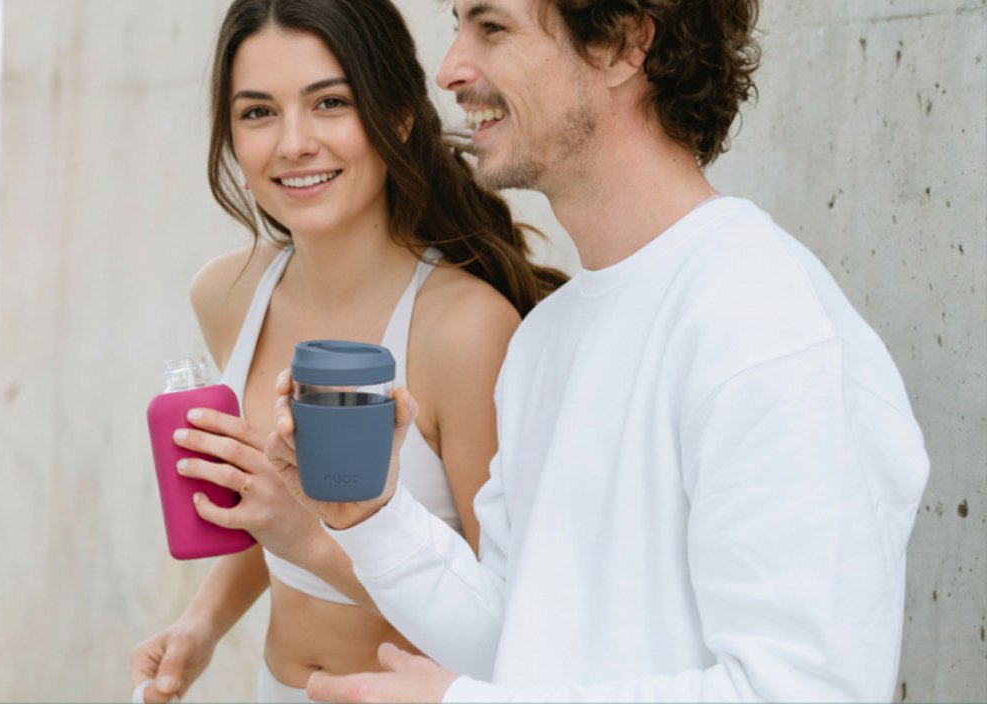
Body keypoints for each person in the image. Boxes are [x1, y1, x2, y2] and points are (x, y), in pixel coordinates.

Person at [257, 0, 931, 701]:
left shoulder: (767, 328)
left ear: (622, 42)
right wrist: (373, 516)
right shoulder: (548, 340)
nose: (451, 70)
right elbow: (518, 639)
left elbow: (804, 692)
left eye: (492, 28)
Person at [127, 0, 566, 701]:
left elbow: (501, 616)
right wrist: (200, 624)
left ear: (397, 115)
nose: (293, 143)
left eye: (329, 102)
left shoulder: (465, 330)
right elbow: (268, 507)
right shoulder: (228, 294)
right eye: (258, 112)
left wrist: (301, 535)